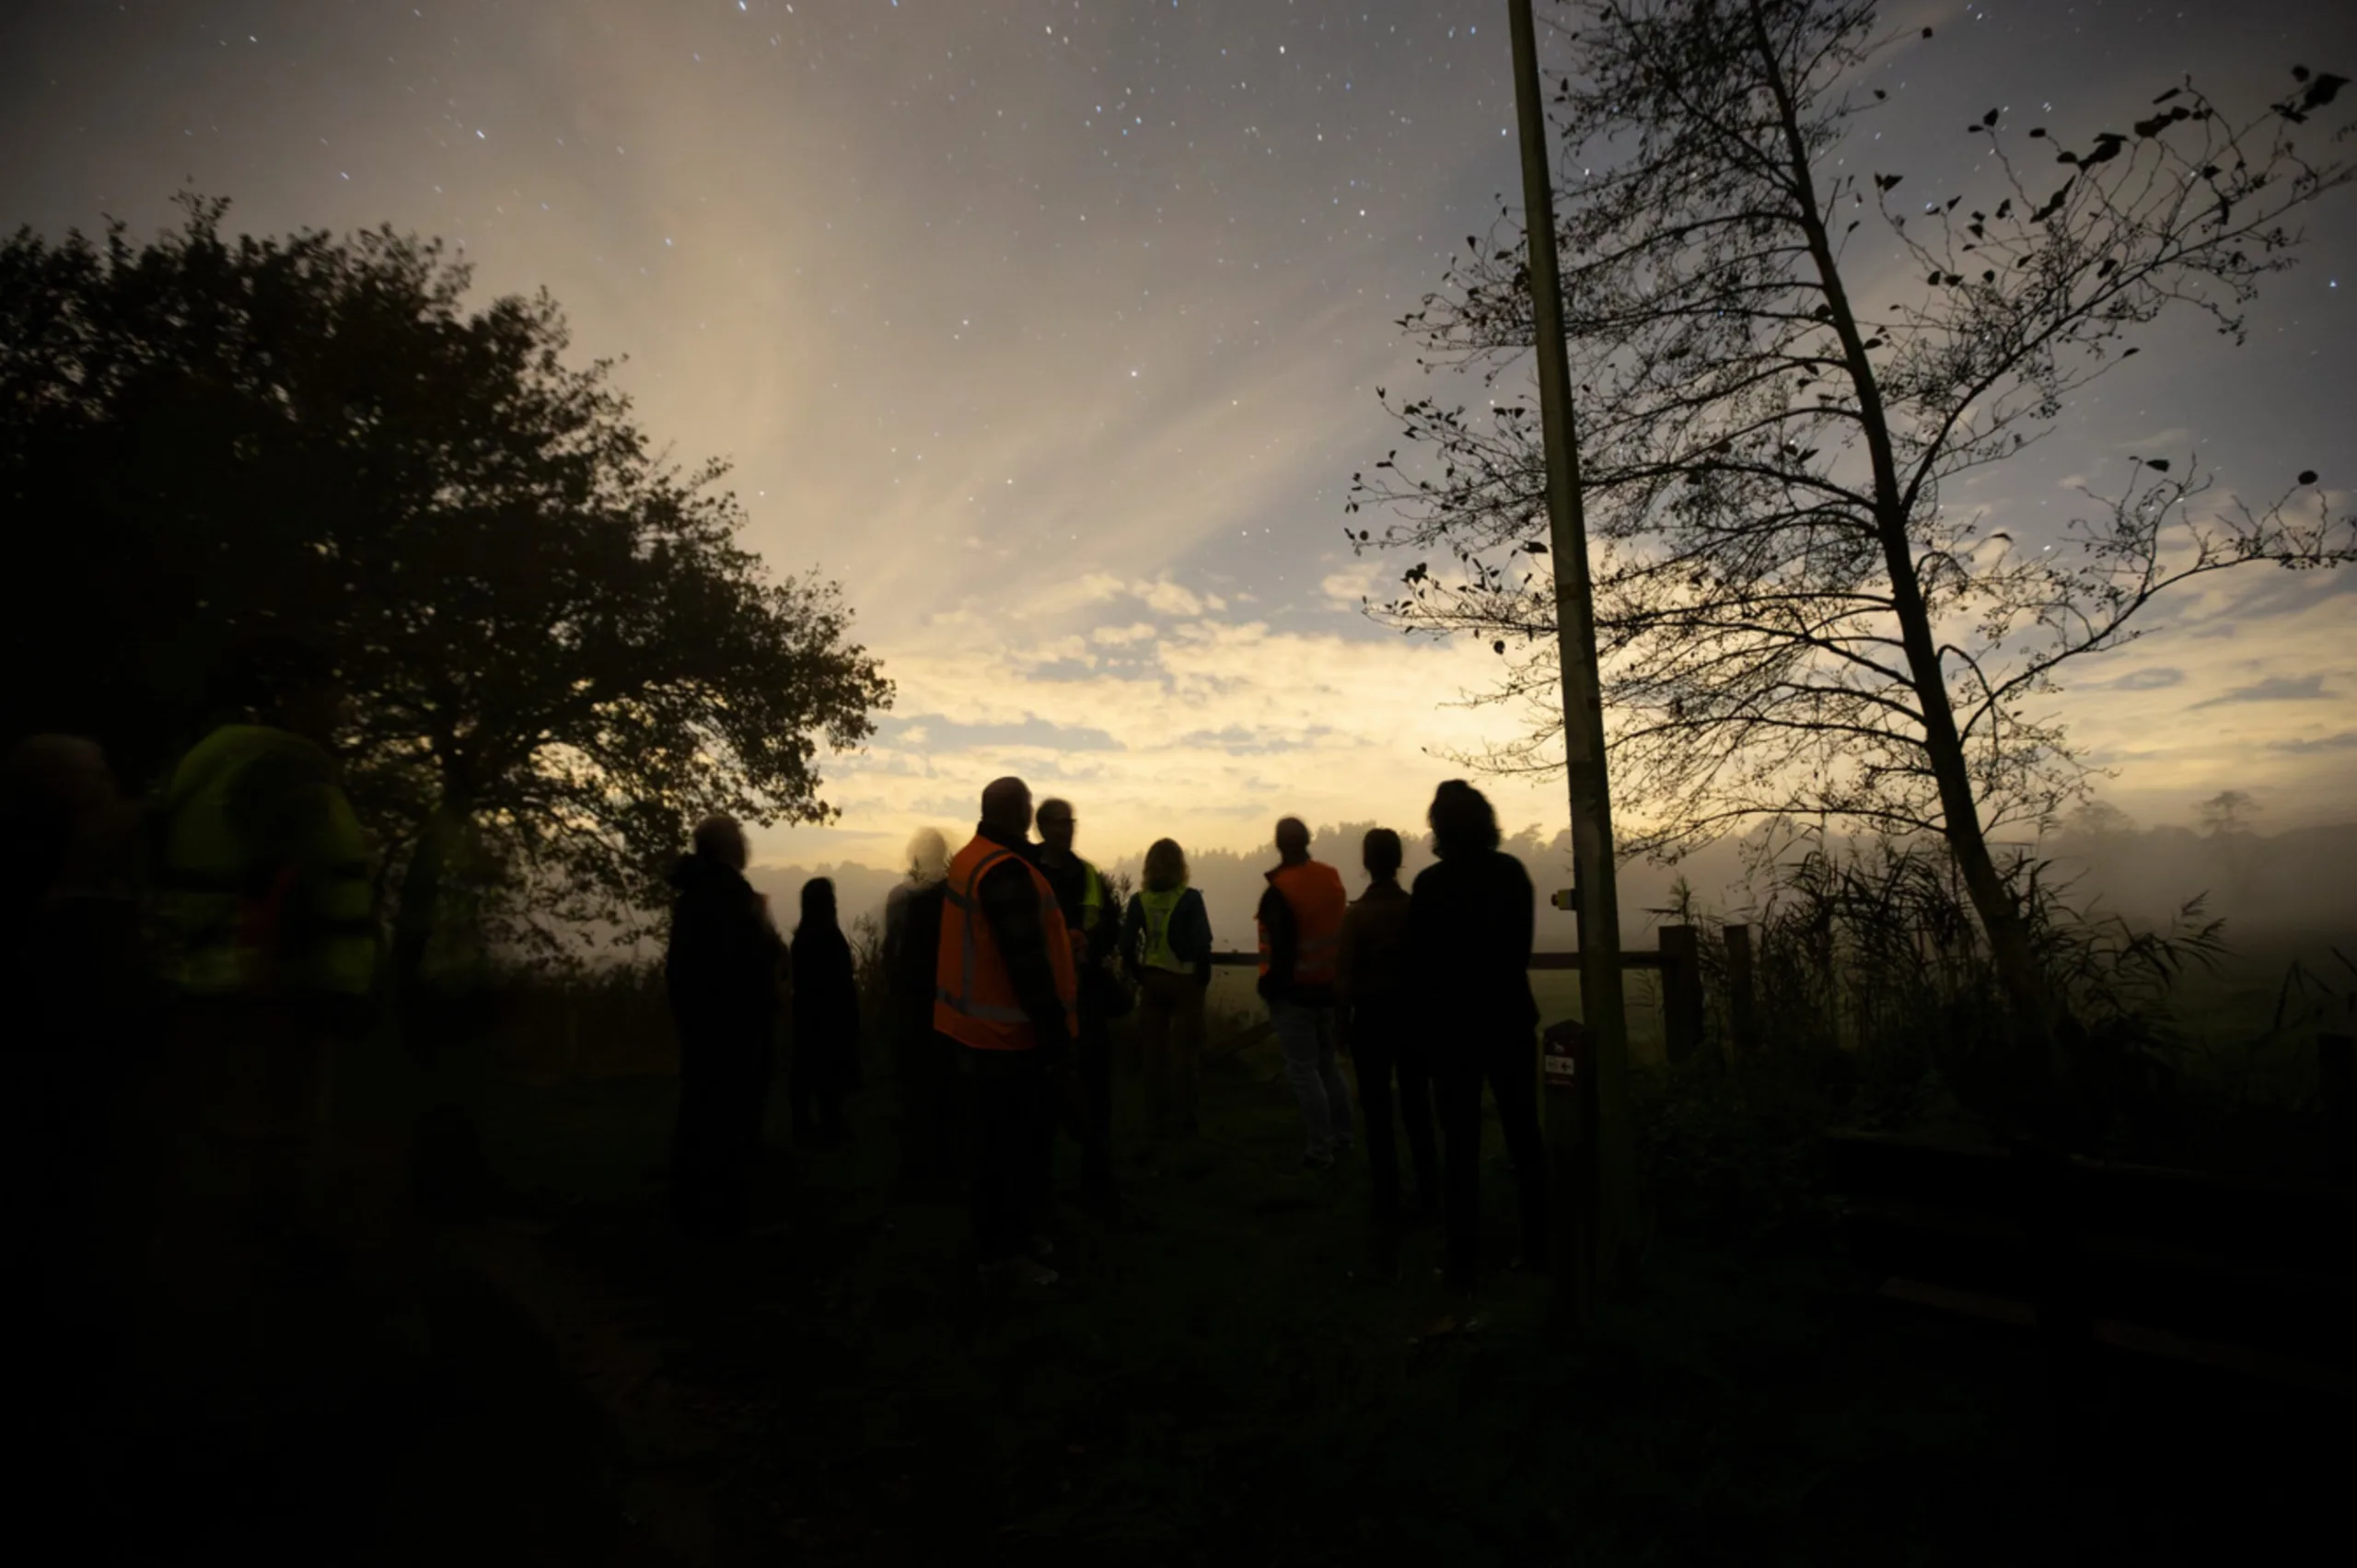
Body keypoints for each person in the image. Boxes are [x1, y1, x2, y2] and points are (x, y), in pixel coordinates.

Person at [135, 632, 385, 1493]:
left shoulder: (203, 762)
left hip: (201, 997)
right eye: (332, 689)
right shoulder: (290, 770)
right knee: (272, 1201)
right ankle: (257, 1424)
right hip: (273, 1008)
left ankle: (196, 1397)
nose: (344, 706)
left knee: (209, 1197)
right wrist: (340, 992)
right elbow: (307, 887)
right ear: (293, 697)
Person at [937, 777, 1079, 1289]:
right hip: (1008, 1040)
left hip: (970, 1032)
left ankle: (1010, 1238)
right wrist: (1055, 1034)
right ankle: (1003, 1255)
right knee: (1011, 1153)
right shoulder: (1005, 870)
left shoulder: (969, 858)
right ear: (1020, 813)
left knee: (996, 1149)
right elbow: (1024, 961)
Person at [1410, 780, 1545, 1295]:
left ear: (1439, 828)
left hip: (1452, 1029)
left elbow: (1422, 965)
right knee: (1524, 1133)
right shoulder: (1512, 874)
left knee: (1460, 1142)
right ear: (1487, 822)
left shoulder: (1429, 886)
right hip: (1508, 1017)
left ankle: (1462, 1251)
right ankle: (1538, 1245)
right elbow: (1519, 952)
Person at [663, 814, 785, 1239]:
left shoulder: (695, 894)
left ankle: (692, 1207)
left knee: (701, 1112)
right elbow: (753, 960)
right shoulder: (730, 897)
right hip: (736, 1030)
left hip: (704, 1027)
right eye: (739, 836)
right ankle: (721, 1218)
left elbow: (681, 970)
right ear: (725, 847)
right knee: (729, 1121)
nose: (746, 843)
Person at [1338, 826, 1436, 1236]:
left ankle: (1386, 1196)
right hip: (1413, 1017)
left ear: (1366, 863)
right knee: (1417, 1107)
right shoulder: (1416, 910)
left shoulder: (1356, 915)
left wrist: (1341, 1026)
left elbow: (1343, 978)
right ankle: (1430, 1192)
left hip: (1372, 1020)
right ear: (1399, 861)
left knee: (1377, 1111)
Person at [1257, 817, 1353, 1168]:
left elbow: (1279, 952)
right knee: (1328, 1067)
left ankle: (1320, 1149)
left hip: (1293, 994)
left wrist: (1269, 989)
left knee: (1303, 1070)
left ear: (1279, 844)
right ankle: (1343, 1137)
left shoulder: (1280, 892)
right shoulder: (1331, 879)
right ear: (1308, 840)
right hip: (1328, 989)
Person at [1034, 796, 1118, 1202]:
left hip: (1085, 995)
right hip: (1038, 993)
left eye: (1072, 822)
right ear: (1043, 826)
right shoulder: (1024, 868)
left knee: (1095, 1083)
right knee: (1040, 1090)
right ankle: (1040, 1181)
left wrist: (1091, 943)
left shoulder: (1087, 875)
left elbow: (1110, 922)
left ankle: (1095, 1177)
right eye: (1062, 822)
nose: (1070, 829)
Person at [1120, 837, 1212, 1141]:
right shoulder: (1190, 899)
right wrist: (1201, 981)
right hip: (1184, 981)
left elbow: (1126, 944)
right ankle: (1186, 1120)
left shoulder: (1139, 900)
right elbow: (1202, 944)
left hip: (1152, 980)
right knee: (1184, 1053)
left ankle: (1155, 1119)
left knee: (1154, 1054)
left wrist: (1138, 975)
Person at [883, 828, 958, 1187]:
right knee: (944, 1086)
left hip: (910, 1001)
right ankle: (942, 1164)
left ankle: (913, 1167)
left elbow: (889, 950)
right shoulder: (955, 899)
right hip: (946, 1003)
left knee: (913, 1086)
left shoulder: (900, 897)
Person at [790, 876, 862, 1145]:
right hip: (832, 1014)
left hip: (807, 1015)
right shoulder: (829, 938)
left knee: (806, 1070)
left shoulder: (802, 938)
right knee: (830, 1074)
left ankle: (803, 1127)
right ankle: (832, 1129)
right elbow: (842, 980)